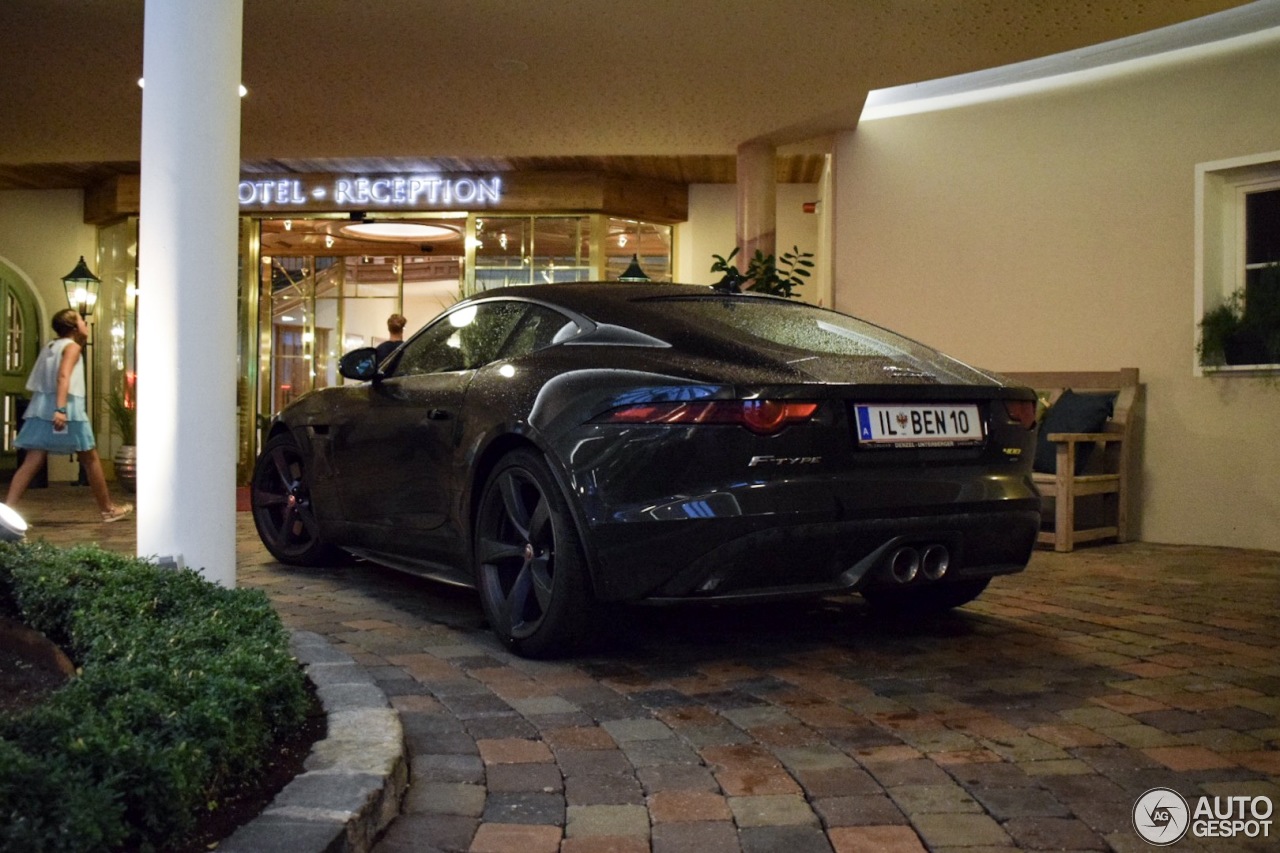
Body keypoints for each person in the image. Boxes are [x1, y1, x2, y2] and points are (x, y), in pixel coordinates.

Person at [4, 308, 132, 523]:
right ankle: (108, 509)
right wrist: (61, 409)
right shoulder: (72, 347)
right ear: (73, 328)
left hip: (41, 408)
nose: (85, 323)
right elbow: (63, 376)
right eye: (81, 320)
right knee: (90, 457)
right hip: (67, 408)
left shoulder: (52, 346)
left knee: (32, 460)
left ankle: (6, 512)